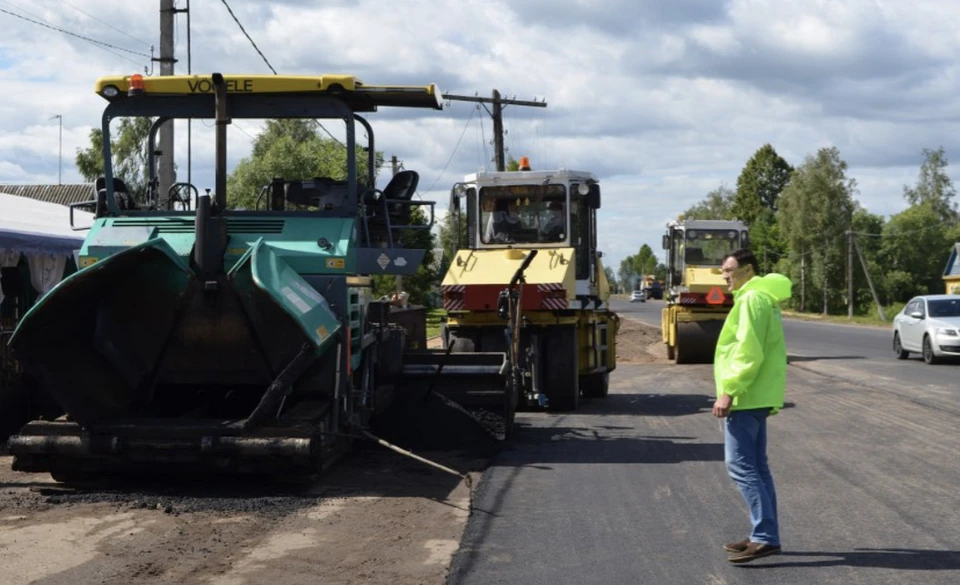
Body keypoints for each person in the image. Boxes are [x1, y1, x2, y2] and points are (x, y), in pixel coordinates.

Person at [712, 248, 792, 564]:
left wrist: (729, 391)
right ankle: (764, 532)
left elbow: (749, 351)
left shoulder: (751, 300)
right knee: (757, 466)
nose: (724, 275)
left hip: (746, 396)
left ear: (746, 269)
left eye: (728, 269)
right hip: (758, 395)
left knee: (741, 466)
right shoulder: (762, 298)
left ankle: (765, 536)